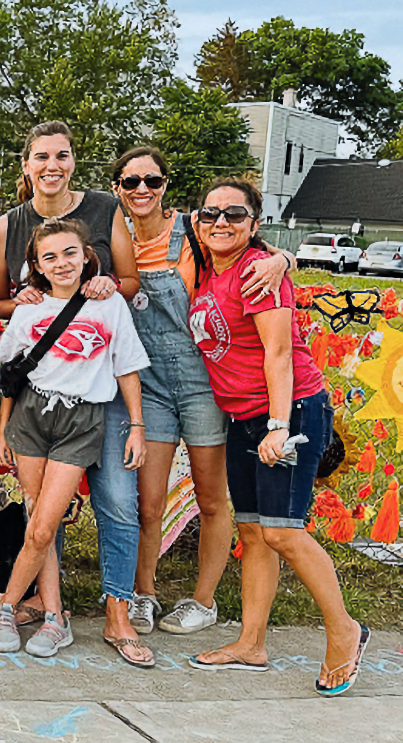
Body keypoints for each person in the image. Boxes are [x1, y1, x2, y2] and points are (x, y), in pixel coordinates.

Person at [186, 178, 369, 696]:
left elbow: (280, 354)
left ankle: (345, 631)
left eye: (235, 215)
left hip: (287, 412)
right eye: (211, 214)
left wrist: (279, 425)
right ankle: (251, 643)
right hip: (242, 416)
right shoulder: (209, 267)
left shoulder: (258, 273)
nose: (221, 223)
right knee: (252, 531)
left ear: (255, 223)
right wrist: (285, 256)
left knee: (283, 530)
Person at [110, 147, 292, 635]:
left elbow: (253, 252)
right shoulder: (114, 238)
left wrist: (285, 258)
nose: (142, 190)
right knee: (147, 501)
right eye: (131, 183)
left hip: (202, 384)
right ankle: (142, 593)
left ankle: (203, 600)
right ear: (117, 190)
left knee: (212, 499)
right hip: (147, 384)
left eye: (152, 180)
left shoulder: (194, 232)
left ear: (166, 185)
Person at [0, 121, 146, 655]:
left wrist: (107, 284)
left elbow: (127, 286)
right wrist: (27, 303)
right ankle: (53, 614)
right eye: (40, 157)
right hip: (33, 404)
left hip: (88, 404)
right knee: (37, 516)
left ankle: (15, 605)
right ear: (25, 165)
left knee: (95, 507)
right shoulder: (9, 227)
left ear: (74, 160)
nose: (51, 165)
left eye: (62, 155)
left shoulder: (103, 211)